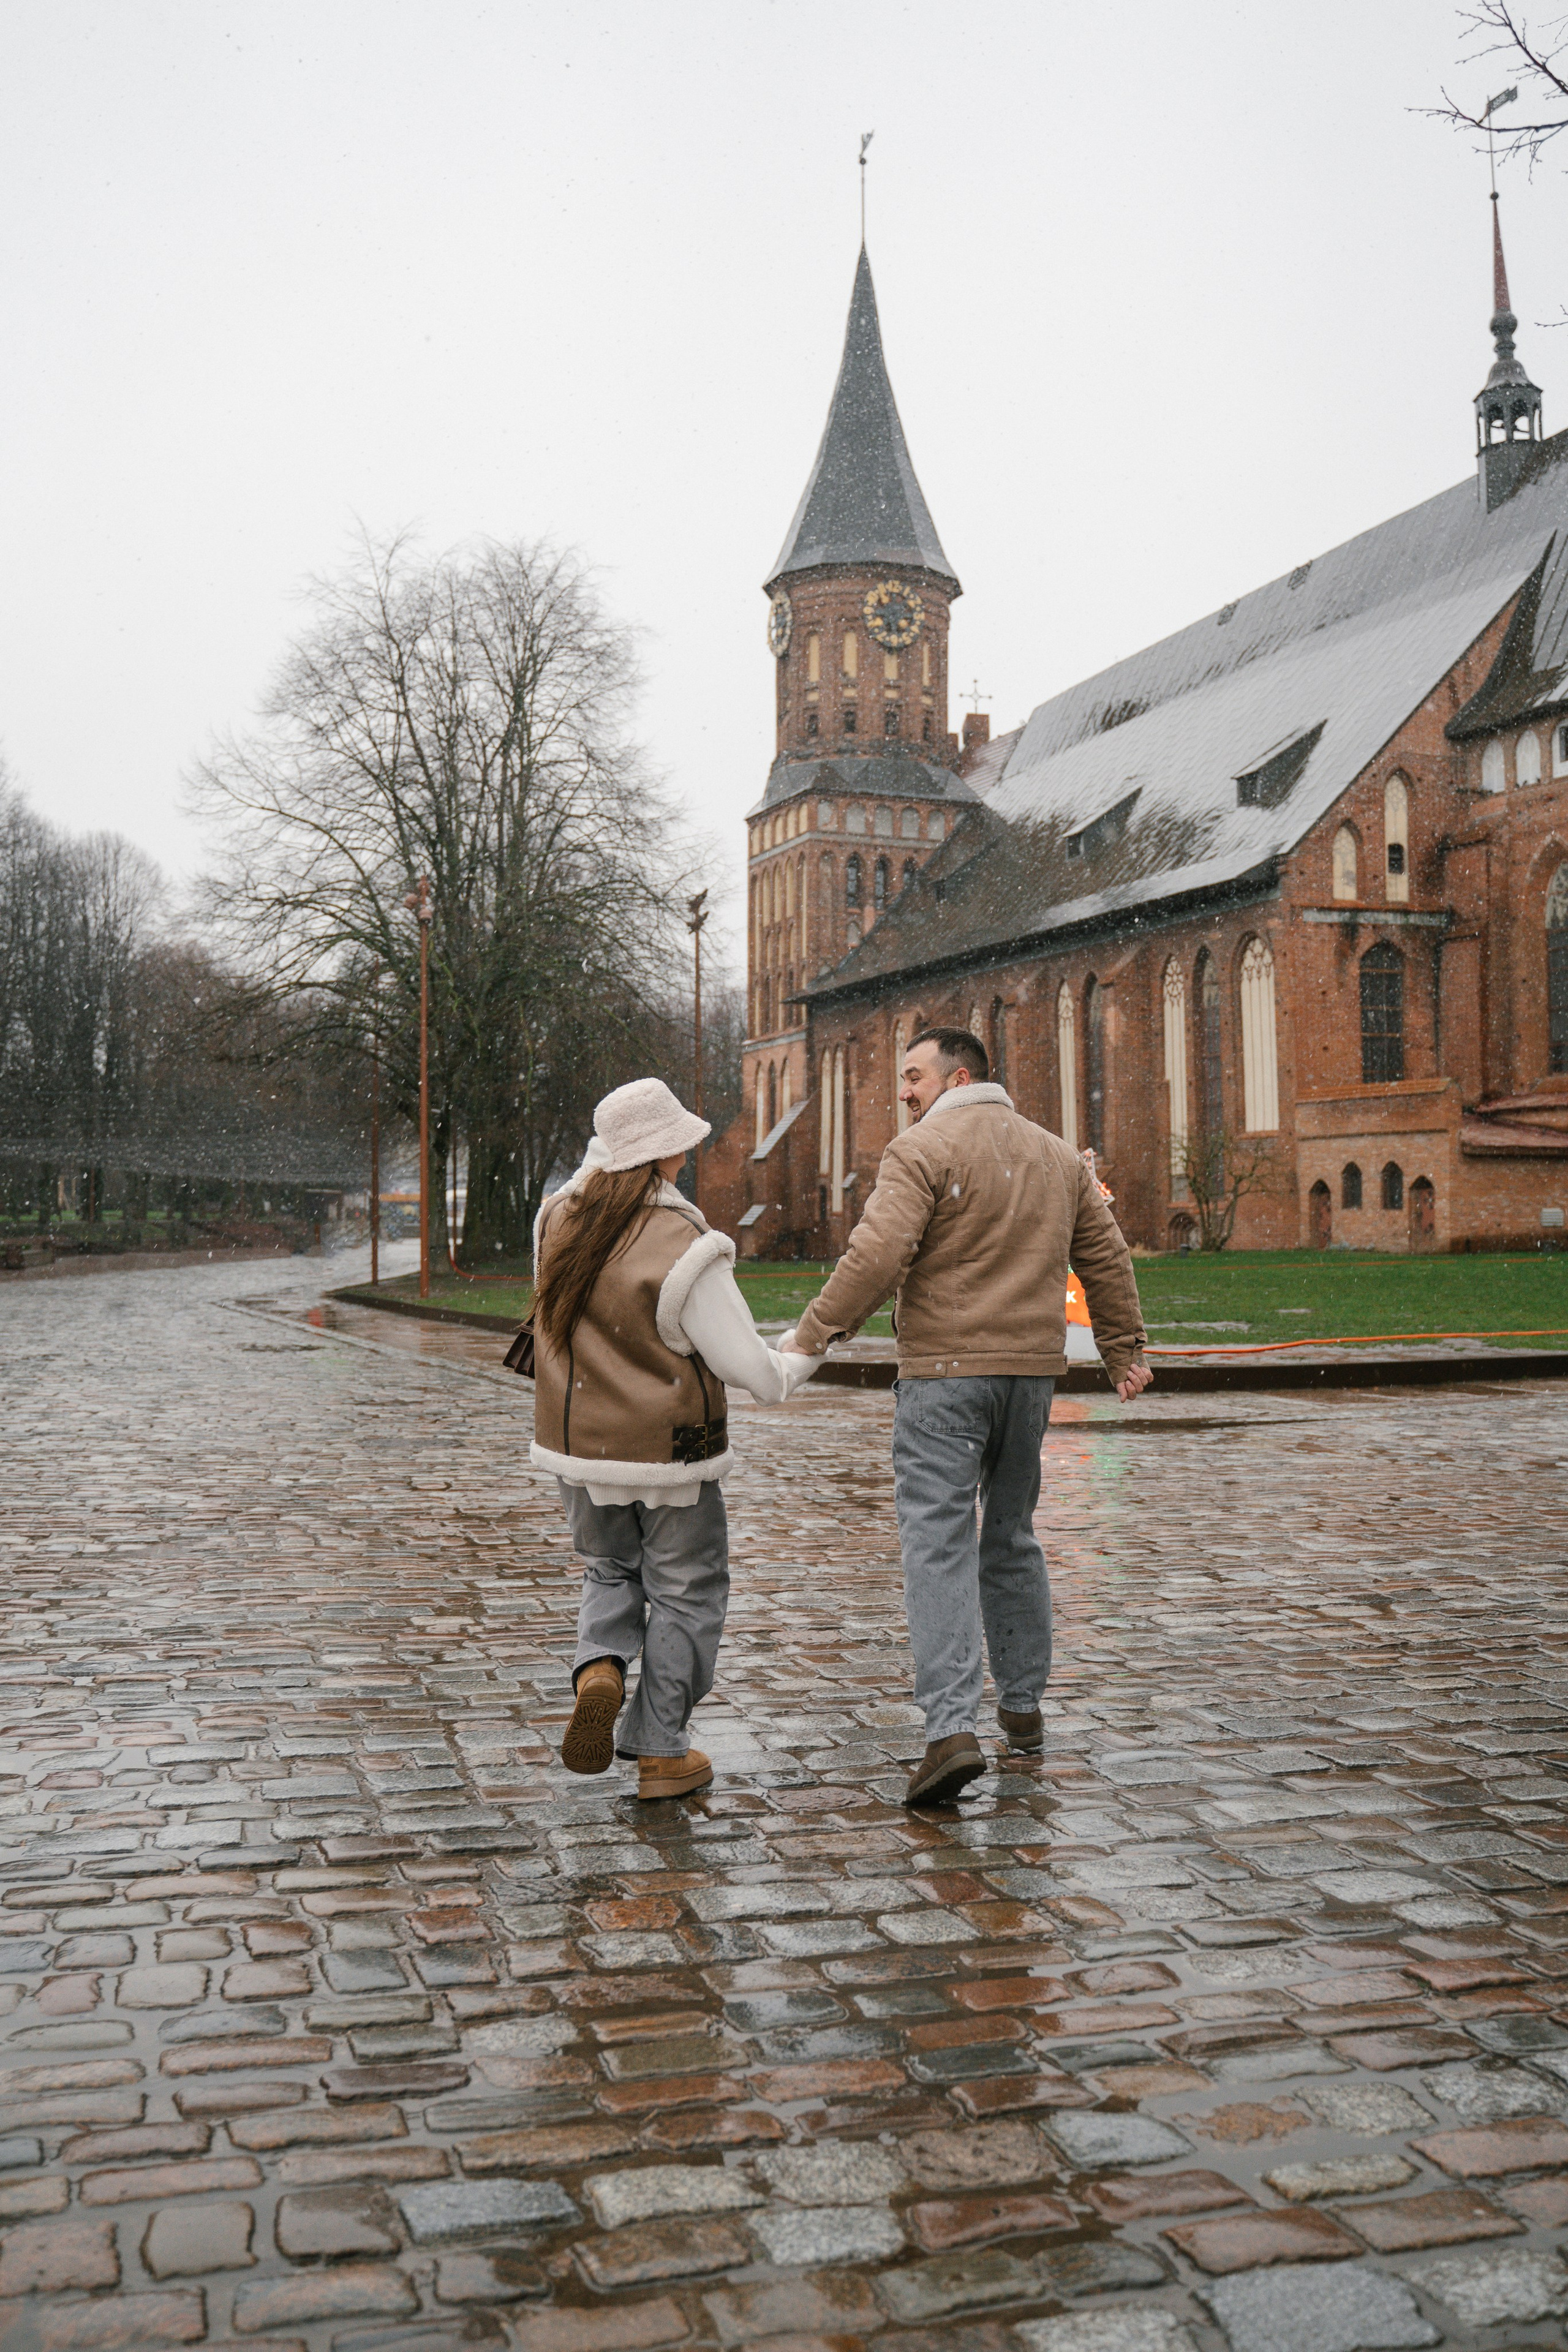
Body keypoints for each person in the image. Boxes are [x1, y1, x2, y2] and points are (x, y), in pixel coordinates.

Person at [783, 1028, 1151, 1807]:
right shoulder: (1055, 1155)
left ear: (957, 1077)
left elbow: (875, 1256)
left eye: (912, 1076)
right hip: (1028, 1381)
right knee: (1012, 1538)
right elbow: (1107, 1255)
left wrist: (811, 1335)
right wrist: (1122, 1351)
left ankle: (951, 1731)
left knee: (937, 1545)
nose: (903, 1093)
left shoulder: (921, 1151)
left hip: (945, 1378)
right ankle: (1022, 1708)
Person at [532, 1077, 817, 1801]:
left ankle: (600, 1666)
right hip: (671, 1452)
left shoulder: (556, 1220)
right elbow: (746, 1366)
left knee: (608, 1571)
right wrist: (807, 1351)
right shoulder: (683, 1241)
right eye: (680, 1147)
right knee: (687, 1594)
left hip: (578, 1443)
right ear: (662, 1153)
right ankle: (661, 1751)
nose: (688, 1157)